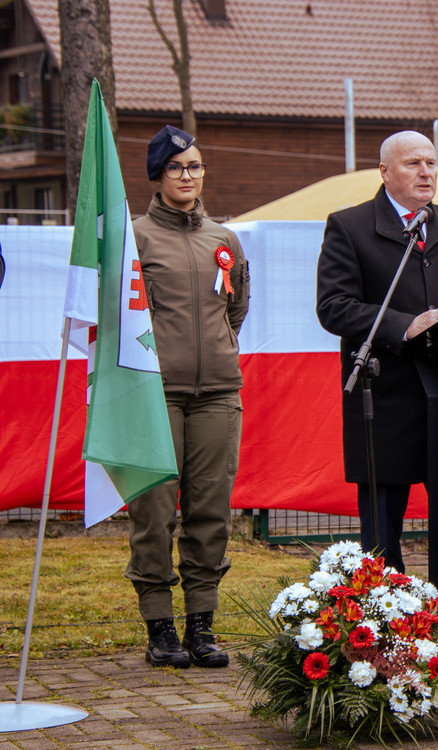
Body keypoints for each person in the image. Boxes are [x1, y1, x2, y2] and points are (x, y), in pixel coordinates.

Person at [316, 131, 438, 572]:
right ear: (384, 172)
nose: (426, 172)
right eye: (412, 164)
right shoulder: (350, 226)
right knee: (383, 529)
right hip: (387, 396)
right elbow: (334, 306)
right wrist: (407, 326)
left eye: (431, 163)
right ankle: (386, 604)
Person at [129, 125, 250, 669]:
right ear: (157, 176)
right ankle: (160, 627)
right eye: (176, 167)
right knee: (154, 512)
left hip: (218, 392)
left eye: (195, 166)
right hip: (153, 393)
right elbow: (119, 314)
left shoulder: (224, 239)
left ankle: (201, 624)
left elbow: (235, 307)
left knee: (211, 511)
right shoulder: (134, 238)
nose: (187, 175)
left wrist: (217, 347)